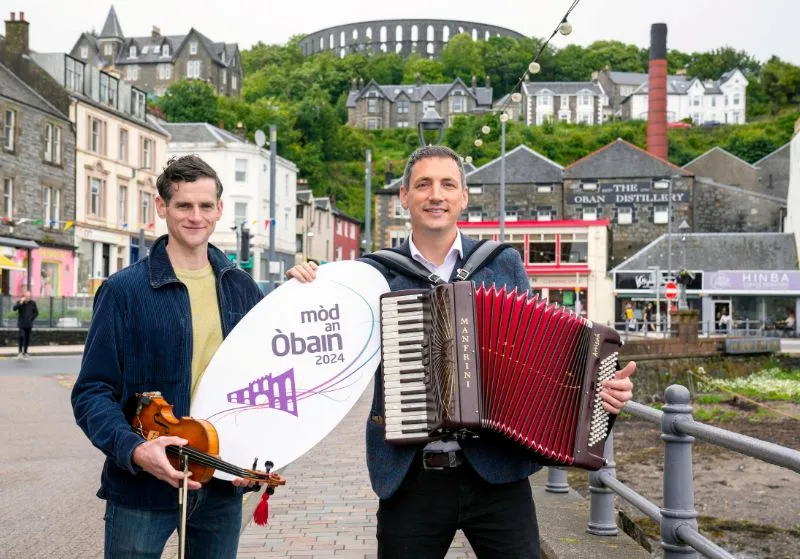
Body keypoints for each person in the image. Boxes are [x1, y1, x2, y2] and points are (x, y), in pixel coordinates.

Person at [286, 145, 636, 558]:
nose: (436, 195)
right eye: (424, 185)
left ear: (463, 197)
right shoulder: (373, 274)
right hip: (410, 475)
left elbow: (539, 358)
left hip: (496, 474)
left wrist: (600, 395)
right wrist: (306, 290)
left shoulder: (502, 264)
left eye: (447, 184)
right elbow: (321, 347)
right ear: (404, 197)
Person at [71, 155, 264, 559]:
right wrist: (135, 450)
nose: (196, 217)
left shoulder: (243, 289)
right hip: (143, 483)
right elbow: (91, 392)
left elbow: (261, 385)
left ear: (219, 210)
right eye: (183, 206)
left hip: (221, 480)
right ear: (162, 207)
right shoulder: (124, 290)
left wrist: (258, 452)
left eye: (205, 206)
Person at [13, 289, 38, 359]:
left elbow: (36, 313)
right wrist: (20, 302)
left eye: (29, 296)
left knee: (27, 339)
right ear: (24, 296)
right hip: (21, 324)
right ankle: (20, 352)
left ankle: (25, 352)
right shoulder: (20, 302)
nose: (28, 297)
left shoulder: (33, 303)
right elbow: (14, 308)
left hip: (29, 324)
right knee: (22, 336)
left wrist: (31, 319)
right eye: (26, 296)